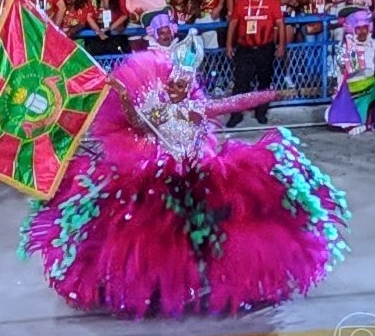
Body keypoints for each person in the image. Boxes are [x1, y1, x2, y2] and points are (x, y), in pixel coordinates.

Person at [19, 32, 350, 318]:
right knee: (158, 239)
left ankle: (207, 281)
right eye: (175, 83)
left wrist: (272, 95)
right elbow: (134, 123)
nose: (178, 88)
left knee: (210, 231)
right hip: (161, 180)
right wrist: (122, 95)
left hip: (200, 175)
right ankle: (161, 288)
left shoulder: (196, 108)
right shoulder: (158, 108)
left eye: (183, 84)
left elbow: (233, 102)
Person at [225, 0, 286, 127]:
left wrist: (281, 46)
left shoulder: (272, 2)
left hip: (264, 48)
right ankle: (235, 115)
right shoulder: (242, 1)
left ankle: (261, 112)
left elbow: (280, 24)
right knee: (240, 83)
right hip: (244, 48)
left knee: (264, 82)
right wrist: (229, 45)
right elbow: (233, 24)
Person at [325, 5, 375, 135]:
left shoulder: (373, 44)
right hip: (353, 89)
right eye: (359, 29)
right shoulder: (345, 47)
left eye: (365, 28)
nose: (362, 32)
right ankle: (356, 121)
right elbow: (350, 69)